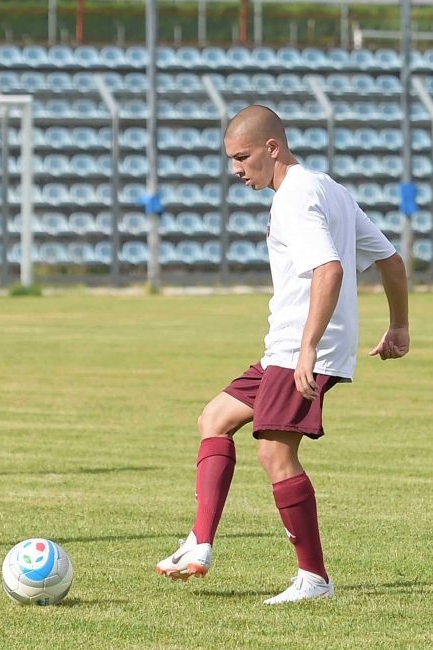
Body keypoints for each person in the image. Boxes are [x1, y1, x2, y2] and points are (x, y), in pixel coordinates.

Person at [155, 105, 409, 604]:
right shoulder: (329, 188)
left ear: (272, 148)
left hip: (301, 348)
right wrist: (399, 325)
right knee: (215, 418)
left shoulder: (295, 196)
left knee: (275, 453)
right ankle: (200, 541)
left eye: (242, 157)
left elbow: (330, 270)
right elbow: (392, 261)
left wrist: (308, 348)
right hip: (286, 347)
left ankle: (314, 578)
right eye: (231, 159)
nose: (236, 169)